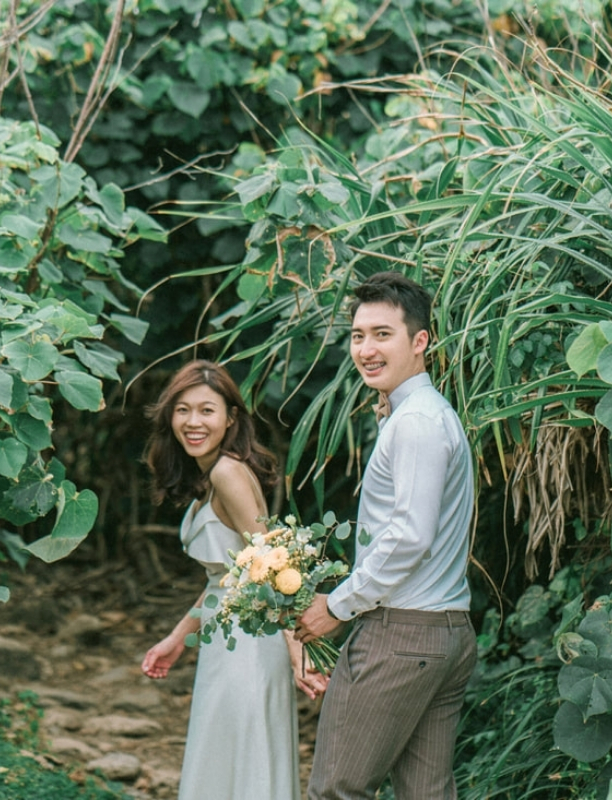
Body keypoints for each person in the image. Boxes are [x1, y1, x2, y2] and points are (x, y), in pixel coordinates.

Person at [296, 272, 477, 800]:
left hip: (401, 636)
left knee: (336, 791)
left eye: (382, 334)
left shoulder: (417, 422)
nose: (366, 348)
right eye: (358, 335)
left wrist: (340, 604)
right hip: (444, 632)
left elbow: (408, 537)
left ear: (420, 342)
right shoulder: (421, 414)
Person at [140, 360, 327, 800]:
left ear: (230, 417)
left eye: (207, 410)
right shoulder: (213, 475)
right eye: (182, 410)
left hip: (250, 645)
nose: (193, 421)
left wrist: (297, 645)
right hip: (229, 637)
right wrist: (175, 638)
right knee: (224, 762)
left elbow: (272, 566)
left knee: (245, 762)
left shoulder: (226, 472)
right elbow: (226, 582)